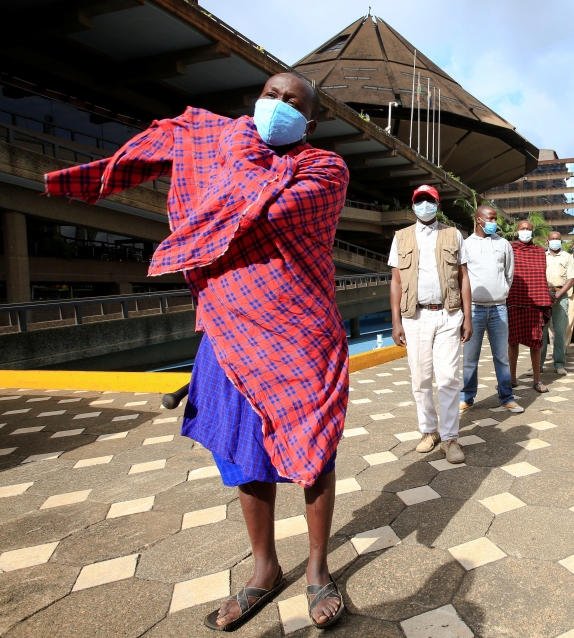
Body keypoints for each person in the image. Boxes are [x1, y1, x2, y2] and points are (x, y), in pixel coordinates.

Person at [46, 72, 349, 631]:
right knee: (242, 451)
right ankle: (264, 568)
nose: (278, 106)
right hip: (229, 332)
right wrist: (214, 149)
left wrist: (221, 155)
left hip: (301, 332)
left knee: (314, 447)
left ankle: (316, 568)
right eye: (270, 95)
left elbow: (253, 216)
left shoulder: (324, 169)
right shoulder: (219, 146)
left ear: (311, 122)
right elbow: (178, 153)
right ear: (254, 100)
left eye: (293, 103)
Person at [389, 185, 473, 464]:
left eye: (430, 200)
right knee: (420, 378)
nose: (425, 205)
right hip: (415, 316)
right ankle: (428, 431)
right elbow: (396, 282)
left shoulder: (453, 234)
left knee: (448, 378)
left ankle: (450, 438)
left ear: (437, 205)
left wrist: (468, 318)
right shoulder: (401, 237)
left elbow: (463, 277)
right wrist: (396, 321)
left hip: (449, 315)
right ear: (413, 205)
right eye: (419, 200)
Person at [460, 205, 522, 413]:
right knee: (470, 357)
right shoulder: (466, 244)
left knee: (501, 357)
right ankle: (467, 397)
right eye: (491, 218)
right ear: (479, 220)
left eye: (495, 218)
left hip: (498, 309)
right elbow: (462, 277)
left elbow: (509, 274)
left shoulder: (503, 244)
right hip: (474, 310)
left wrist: (501, 291)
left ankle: (506, 397)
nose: (495, 222)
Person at [508, 220, 553, 393]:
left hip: (535, 302)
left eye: (528, 229)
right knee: (512, 342)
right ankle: (512, 378)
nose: (525, 231)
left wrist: (544, 296)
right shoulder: (510, 249)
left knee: (536, 343)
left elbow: (539, 275)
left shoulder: (540, 252)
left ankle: (537, 379)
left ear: (532, 232)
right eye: (523, 229)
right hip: (513, 299)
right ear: (517, 231)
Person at [541, 231, 574, 374]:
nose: (555, 241)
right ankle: (538, 365)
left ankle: (559, 364)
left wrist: (558, 294)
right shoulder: (541, 256)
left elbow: (572, 278)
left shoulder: (568, 257)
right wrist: (547, 294)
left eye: (558, 239)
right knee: (541, 332)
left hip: (561, 296)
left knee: (560, 331)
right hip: (543, 295)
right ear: (547, 241)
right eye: (553, 239)